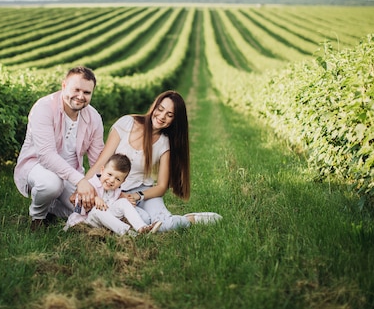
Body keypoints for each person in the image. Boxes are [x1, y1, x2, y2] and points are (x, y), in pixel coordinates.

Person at [79, 90, 222, 232]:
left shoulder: (164, 143)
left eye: (169, 115)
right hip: (114, 191)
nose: (161, 116)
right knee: (144, 222)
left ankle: (191, 219)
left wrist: (138, 196)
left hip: (143, 191)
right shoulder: (126, 123)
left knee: (163, 225)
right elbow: (101, 163)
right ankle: (156, 220)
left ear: (175, 120)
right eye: (160, 109)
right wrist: (83, 184)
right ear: (154, 106)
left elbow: (161, 186)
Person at [14, 66, 105, 231]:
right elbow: (46, 156)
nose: (80, 96)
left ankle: (52, 208)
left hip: (72, 173)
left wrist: (102, 187)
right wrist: (80, 181)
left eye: (87, 92)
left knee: (89, 209)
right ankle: (37, 218)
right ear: (64, 86)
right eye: (76, 89)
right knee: (51, 184)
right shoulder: (44, 107)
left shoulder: (94, 118)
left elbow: (98, 159)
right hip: (37, 166)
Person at [64, 153, 162, 235]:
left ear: (123, 181)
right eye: (109, 174)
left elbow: (113, 210)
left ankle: (142, 228)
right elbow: (77, 208)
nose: (111, 180)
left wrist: (128, 206)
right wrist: (94, 199)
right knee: (98, 210)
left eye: (117, 179)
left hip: (105, 222)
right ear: (102, 170)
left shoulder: (116, 191)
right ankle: (129, 233)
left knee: (123, 202)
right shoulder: (90, 185)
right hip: (85, 221)